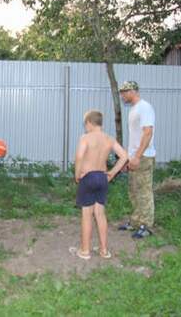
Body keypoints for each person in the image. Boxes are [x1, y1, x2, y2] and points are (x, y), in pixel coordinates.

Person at [72, 109, 128, 260]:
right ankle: (104, 250)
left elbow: (79, 156)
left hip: (88, 178)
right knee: (100, 214)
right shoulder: (109, 139)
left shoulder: (85, 138)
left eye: (85, 124)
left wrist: (77, 175)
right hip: (102, 178)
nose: (85, 127)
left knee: (87, 215)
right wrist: (112, 173)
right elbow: (124, 156)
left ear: (89, 123)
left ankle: (85, 251)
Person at [118, 81, 156, 239]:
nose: (122, 95)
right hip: (135, 157)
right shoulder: (134, 109)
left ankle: (146, 226)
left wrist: (138, 157)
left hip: (144, 157)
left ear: (133, 91)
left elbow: (148, 133)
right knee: (134, 191)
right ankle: (135, 221)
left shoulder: (144, 107)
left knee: (144, 192)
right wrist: (127, 159)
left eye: (124, 92)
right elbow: (134, 137)